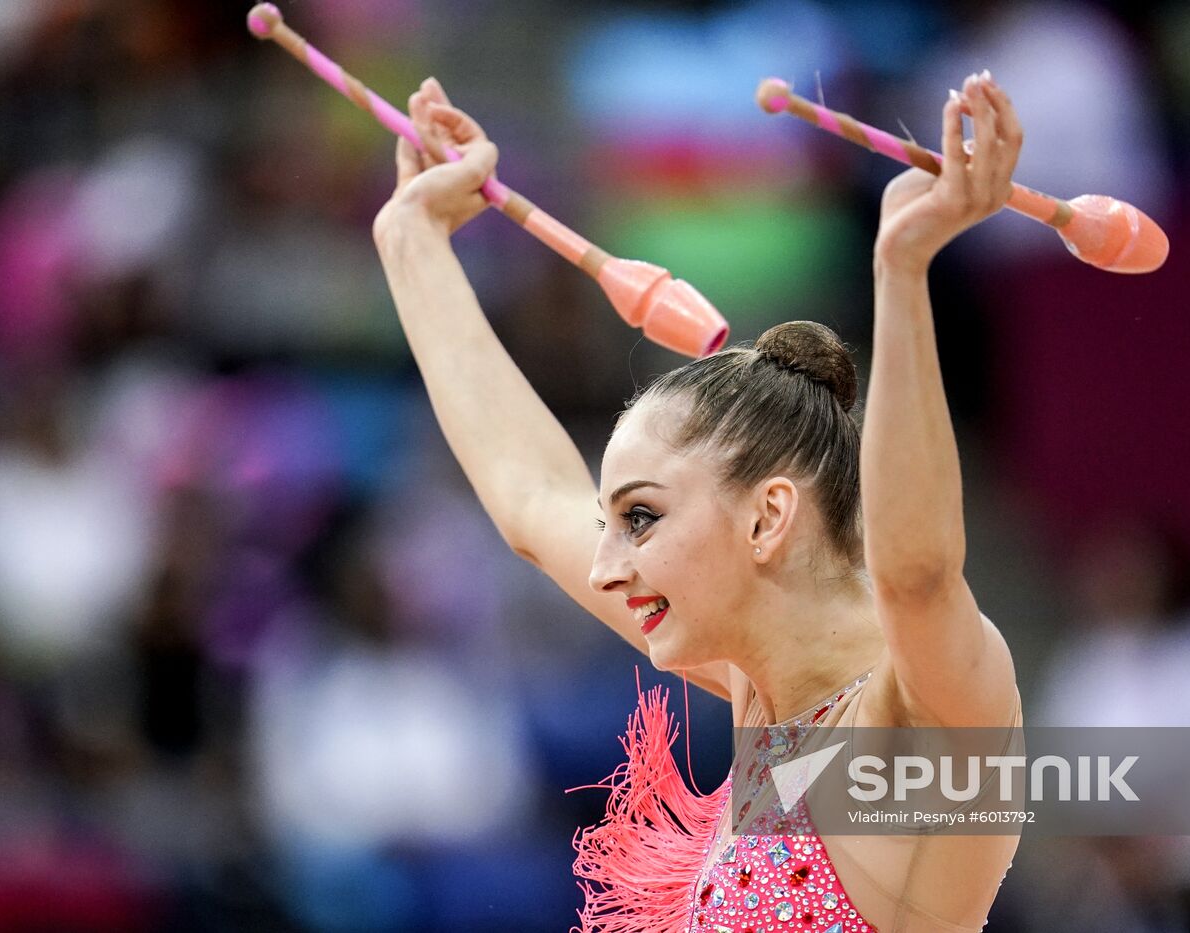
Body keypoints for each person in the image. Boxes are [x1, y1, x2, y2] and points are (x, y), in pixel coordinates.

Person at [371, 68, 1023, 932]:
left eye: (640, 518)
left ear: (768, 516)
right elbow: (532, 500)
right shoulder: (765, 702)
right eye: (612, 524)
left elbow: (920, 576)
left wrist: (901, 272)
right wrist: (412, 239)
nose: (605, 568)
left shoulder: (911, 722)